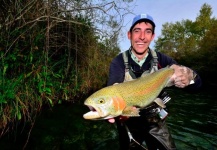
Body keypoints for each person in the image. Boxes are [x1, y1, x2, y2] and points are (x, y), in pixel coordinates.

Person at [107, 13, 202, 150]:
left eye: (148, 31)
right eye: (137, 31)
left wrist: (190, 76)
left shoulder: (163, 61)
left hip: (155, 121)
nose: (142, 36)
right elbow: (113, 86)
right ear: (129, 35)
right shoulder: (119, 62)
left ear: (152, 37)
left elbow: (197, 87)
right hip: (129, 122)